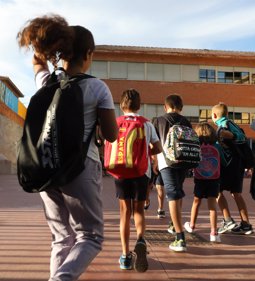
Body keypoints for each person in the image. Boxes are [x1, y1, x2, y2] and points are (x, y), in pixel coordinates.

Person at [17, 14, 118, 281]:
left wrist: (48, 51)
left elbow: (37, 62)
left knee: (61, 238)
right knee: (91, 236)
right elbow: (111, 135)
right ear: (88, 53)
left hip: (47, 168)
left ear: (61, 52)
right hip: (80, 168)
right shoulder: (96, 87)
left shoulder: (47, 84)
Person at [113, 89, 162, 271]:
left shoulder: (116, 122)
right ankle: (140, 238)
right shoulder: (146, 124)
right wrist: (146, 152)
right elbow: (158, 148)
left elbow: (108, 142)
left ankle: (126, 257)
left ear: (121, 105)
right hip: (142, 172)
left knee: (125, 213)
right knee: (139, 210)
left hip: (121, 172)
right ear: (139, 105)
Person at [152, 94, 191, 252]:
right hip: (183, 161)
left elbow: (153, 143)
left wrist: (154, 161)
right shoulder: (186, 121)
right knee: (178, 192)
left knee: (173, 194)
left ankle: (180, 238)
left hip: (166, 162)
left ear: (165, 106)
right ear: (181, 107)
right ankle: (175, 225)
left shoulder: (158, 120)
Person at [211, 103, 253, 235]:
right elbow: (242, 137)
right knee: (236, 193)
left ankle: (227, 220)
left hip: (227, 165)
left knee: (217, 191)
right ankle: (245, 224)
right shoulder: (232, 124)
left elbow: (238, 137)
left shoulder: (223, 125)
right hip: (238, 165)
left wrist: (227, 134)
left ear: (214, 115)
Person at [184, 122, 227, 243]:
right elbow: (223, 161)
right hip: (214, 179)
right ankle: (213, 232)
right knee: (212, 206)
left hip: (200, 179)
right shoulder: (217, 147)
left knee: (196, 201)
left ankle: (192, 225)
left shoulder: (197, 146)